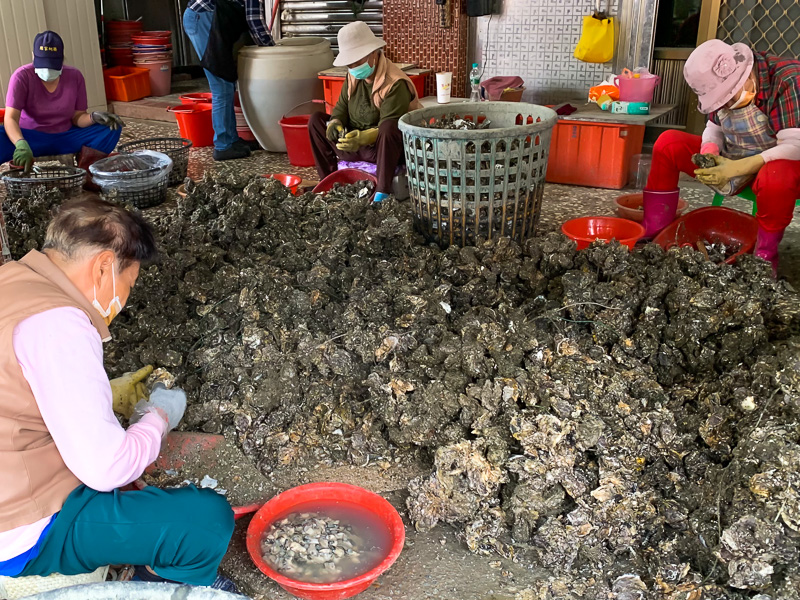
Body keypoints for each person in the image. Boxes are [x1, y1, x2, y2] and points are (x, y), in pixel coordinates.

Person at [0, 197, 234, 587]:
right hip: (21, 527)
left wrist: (106, 391)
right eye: (130, 282)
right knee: (204, 522)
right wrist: (156, 418)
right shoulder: (59, 324)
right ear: (105, 266)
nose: (124, 297)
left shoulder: (11, 281)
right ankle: (154, 582)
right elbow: (107, 469)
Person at [644, 39, 800, 274]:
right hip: (736, 152)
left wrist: (735, 169)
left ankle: (764, 258)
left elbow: (795, 146)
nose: (725, 105)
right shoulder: (717, 87)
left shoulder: (788, 79)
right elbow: (713, 129)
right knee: (668, 143)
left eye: (728, 97)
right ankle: (656, 233)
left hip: (786, 164)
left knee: (775, 176)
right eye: (720, 101)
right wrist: (710, 152)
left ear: (746, 72)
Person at [308, 21, 423, 204]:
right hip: (355, 146)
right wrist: (335, 123)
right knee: (316, 121)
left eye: (357, 61)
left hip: (385, 150)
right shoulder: (352, 76)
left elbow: (391, 125)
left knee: (388, 127)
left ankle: (381, 192)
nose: (354, 67)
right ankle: (328, 183)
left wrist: (362, 138)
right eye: (350, 64)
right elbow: (341, 108)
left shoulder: (395, 83)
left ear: (373, 54)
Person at [1, 31, 123, 175]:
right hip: (30, 137)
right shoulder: (21, 76)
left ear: (62, 60)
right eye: (43, 63)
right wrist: (20, 143)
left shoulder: (75, 76)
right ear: (33, 56)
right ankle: (21, 158)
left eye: (52, 65)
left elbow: (78, 117)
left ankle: (87, 171)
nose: (47, 70)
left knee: (110, 128)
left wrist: (93, 117)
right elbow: (10, 118)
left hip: (66, 136)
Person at [184, 0, 273, 161]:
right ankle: (223, 145)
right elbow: (254, 21)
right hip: (204, 18)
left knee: (227, 83)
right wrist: (271, 48)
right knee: (221, 84)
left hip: (206, 17)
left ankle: (231, 139)